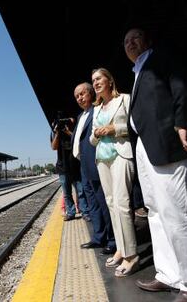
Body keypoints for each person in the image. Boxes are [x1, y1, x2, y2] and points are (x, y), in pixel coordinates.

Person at [123, 28, 187, 302]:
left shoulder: (161, 58)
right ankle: (168, 274)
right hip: (145, 146)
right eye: (126, 41)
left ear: (148, 41)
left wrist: (182, 123)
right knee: (156, 212)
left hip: (166, 142)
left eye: (136, 37)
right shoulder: (137, 71)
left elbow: (181, 86)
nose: (130, 42)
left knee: (175, 212)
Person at [89, 68, 139, 276]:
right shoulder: (97, 109)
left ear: (110, 80)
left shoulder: (125, 99)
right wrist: (98, 134)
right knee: (111, 204)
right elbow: (92, 140)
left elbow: (134, 125)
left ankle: (131, 255)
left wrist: (113, 129)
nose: (95, 83)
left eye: (99, 78)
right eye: (93, 81)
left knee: (122, 203)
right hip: (102, 158)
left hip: (121, 154)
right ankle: (120, 248)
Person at [72, 82, 116, 255]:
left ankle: (113, 240)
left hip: (95, 161)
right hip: (84, 164)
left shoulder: (96, 111)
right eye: (76, 96)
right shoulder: (80, 115)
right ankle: (99, 237)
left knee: (103, 201)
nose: (79, 98)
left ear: (91, 94)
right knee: (92, 203)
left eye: (82, 94)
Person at [51, 113, 88, 221]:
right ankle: (71, 213)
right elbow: (53, 147)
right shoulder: (55, 132)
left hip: (75, 166)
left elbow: (79, 143)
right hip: (62, 167)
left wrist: (68, 131)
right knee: (67, 193)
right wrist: (57, 133)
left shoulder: (75, 131)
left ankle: (85, 212)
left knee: (81, 191)